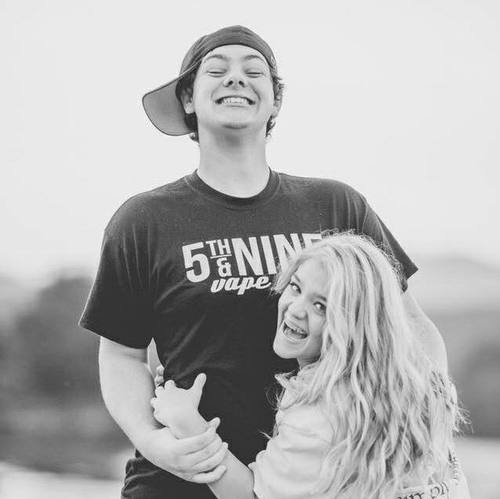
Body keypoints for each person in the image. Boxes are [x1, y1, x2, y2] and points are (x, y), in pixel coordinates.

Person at [79, 25, 448, 499]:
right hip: (180, 478)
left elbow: (408, 326)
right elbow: (121, 355)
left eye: (254, 72)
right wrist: (153, 442)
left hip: (320, 481)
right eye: (217, 70)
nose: (236, 78)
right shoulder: (143, 220)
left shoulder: (337, 206)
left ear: (274, 102)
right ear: (188, 98)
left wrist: (428, 420)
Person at [151, 233, 470, 499]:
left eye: (320, 305)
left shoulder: (318, 416)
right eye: (295, 287)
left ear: (353, 323)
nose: (295, 309)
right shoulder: (424, 385)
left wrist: (186, 421)